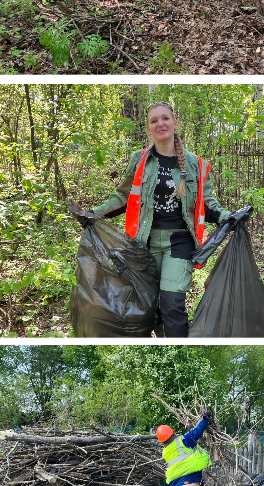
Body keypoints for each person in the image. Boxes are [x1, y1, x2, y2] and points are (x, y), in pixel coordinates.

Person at [74, 102, 235, 337]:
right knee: (150, 306)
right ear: (149, 129)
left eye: (165, 118)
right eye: (154, 121)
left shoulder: (196, 165)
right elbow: (123, 196)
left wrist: (228, 216)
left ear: (175, 123)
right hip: (144, 242)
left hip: (180, 242)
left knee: (172, 303)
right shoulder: (139, 159)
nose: (160, 124)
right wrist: (94, 213)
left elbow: (207, 204)